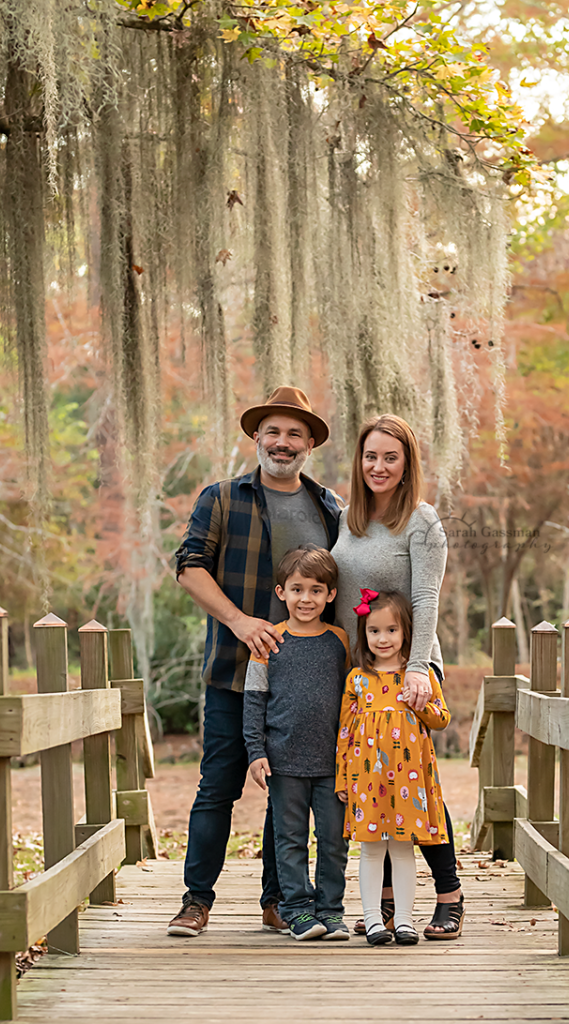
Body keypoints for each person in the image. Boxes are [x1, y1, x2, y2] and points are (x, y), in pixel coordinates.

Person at [167, 387, 342, 937]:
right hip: (233, 673)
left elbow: (344, 585)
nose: (282, 442)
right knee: (218, 786)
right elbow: (189, 567)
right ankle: (197, 900)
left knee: (287, 794)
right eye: (273, 431)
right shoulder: (221, 498)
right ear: (256, 437)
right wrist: (239, 621)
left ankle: (279, 901)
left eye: (295, 433)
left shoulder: (329, 506)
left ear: (310, 442)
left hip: (302, 685)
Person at [332, 413, 465, 940]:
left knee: (415, 785)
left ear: (407, 463)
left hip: (409, 670)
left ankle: (450, 893)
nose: (379, 466)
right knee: (376, 783)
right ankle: (388, 901)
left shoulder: (423, 521)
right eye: (371, 456)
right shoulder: (347, 519)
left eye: (391, 457)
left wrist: (417, 672)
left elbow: (427, 599)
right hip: (362, 672)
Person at [243, 546, 350, 940]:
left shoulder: (340, 640)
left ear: (331, 595)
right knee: (289, 841)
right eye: (298, 589)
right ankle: (297, 911)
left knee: (333, 841)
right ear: (281, 592)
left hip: (332, 763)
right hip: (284, 761)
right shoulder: (270, 642)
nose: (307, 599)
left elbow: (351, 698)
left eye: (317, 590)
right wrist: (256, 752)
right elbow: (253, 701)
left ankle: (331, 910)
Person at [336, 590, 451, 945]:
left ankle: (403, 921)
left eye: (391, 630)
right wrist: (343, 777)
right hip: (367, 777)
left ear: (407, 634)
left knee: (403, 848)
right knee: (371, 848)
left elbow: (441, 719)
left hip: (409, 776)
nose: (382, 639)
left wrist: (419, 704)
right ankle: (373, 920)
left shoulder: (420, 676)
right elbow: (344, 732)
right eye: (374, 631)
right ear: (363, 634)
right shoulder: (357, 679)